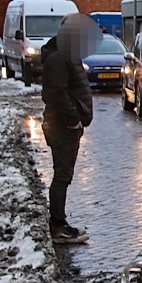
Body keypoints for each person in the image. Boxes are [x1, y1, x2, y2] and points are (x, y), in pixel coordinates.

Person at [39, 13, 98, 244]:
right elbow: (55, 93)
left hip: (66, 126)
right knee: (62, 175)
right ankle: (58, 226)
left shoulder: (67, 55)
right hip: (62, 127)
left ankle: (59, 223)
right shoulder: (60, 58)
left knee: (64, 175)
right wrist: (73, 118)